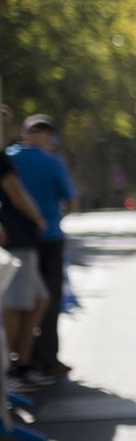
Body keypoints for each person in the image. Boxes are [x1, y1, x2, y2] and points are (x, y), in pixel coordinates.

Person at [6, 114, 76, 380]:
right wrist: (49, 219)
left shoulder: (10, 156)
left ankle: (21, 358)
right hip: (47, 238)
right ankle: (40, 360)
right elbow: (71, 201)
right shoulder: (51, 161)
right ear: (49, 136)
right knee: (45, 300)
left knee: (19, 302)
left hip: (15, 239)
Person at [0, 105, 51, 383]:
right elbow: (17, 195)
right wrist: (38, 218)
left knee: (37, 299)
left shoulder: (6, 157)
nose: (5, 131)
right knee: (16, 305)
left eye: (7, 125)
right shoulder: (3, 161)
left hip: (21, 237)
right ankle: (14, 369)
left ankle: (21, 363)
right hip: (16, 238)